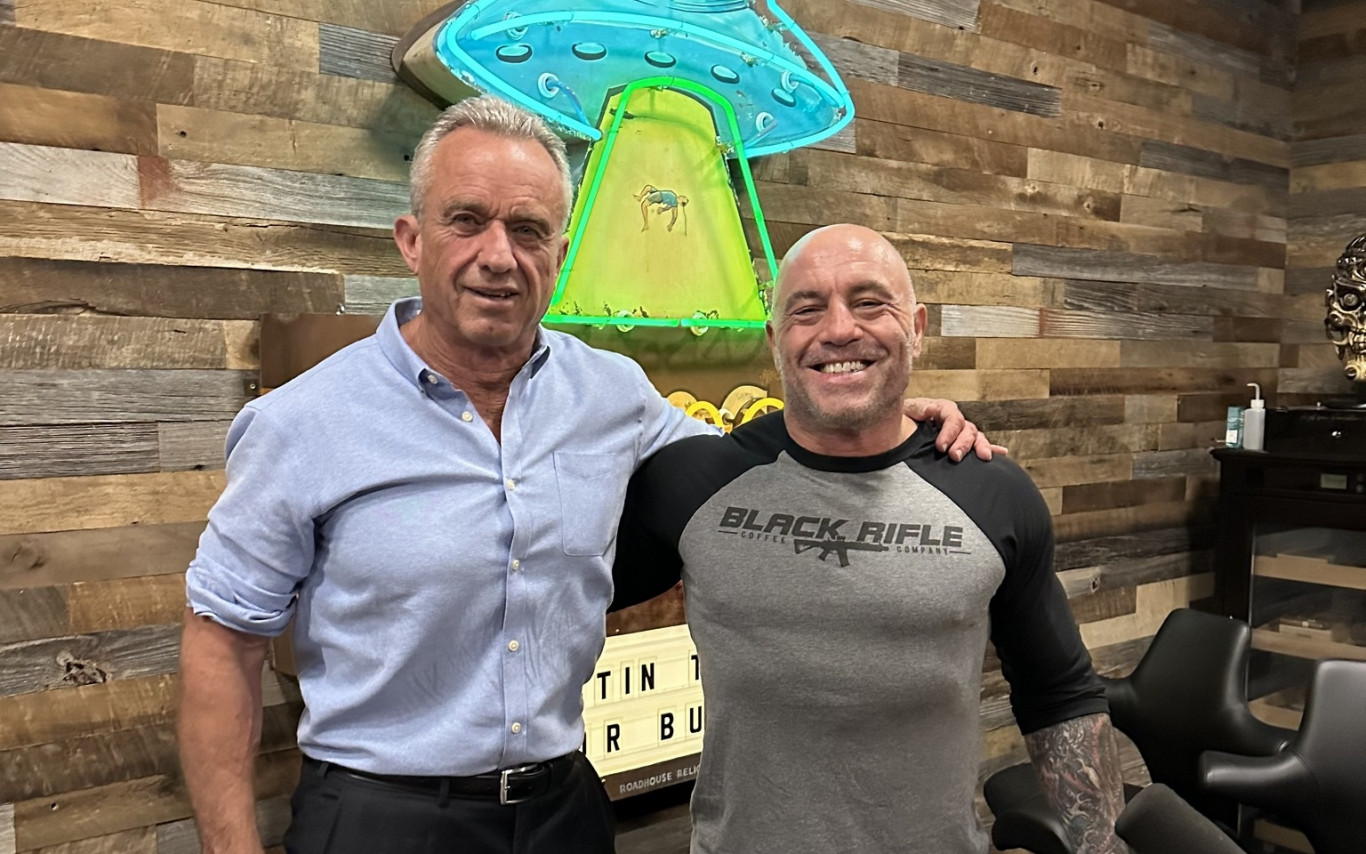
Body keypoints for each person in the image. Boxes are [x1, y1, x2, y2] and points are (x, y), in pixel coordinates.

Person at [176, 97, 996, 854]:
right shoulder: (303, 422)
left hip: (562, 809)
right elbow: (221, 642)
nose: (499, 256)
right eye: (467, 220)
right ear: (412, 238)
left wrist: (880, 414)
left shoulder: (611, 392)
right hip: (380, 817)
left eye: (528, 230)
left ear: (559, 255)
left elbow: (759, 454)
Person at [611, 224, 1130, 854]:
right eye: (806, 310)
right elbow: (548, 594)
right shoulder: (695, 480)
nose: (838, 329)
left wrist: (1102, 847)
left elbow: (1059, 696)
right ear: (775, 341)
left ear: (917, 328)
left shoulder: (993, 493)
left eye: (869, 303)